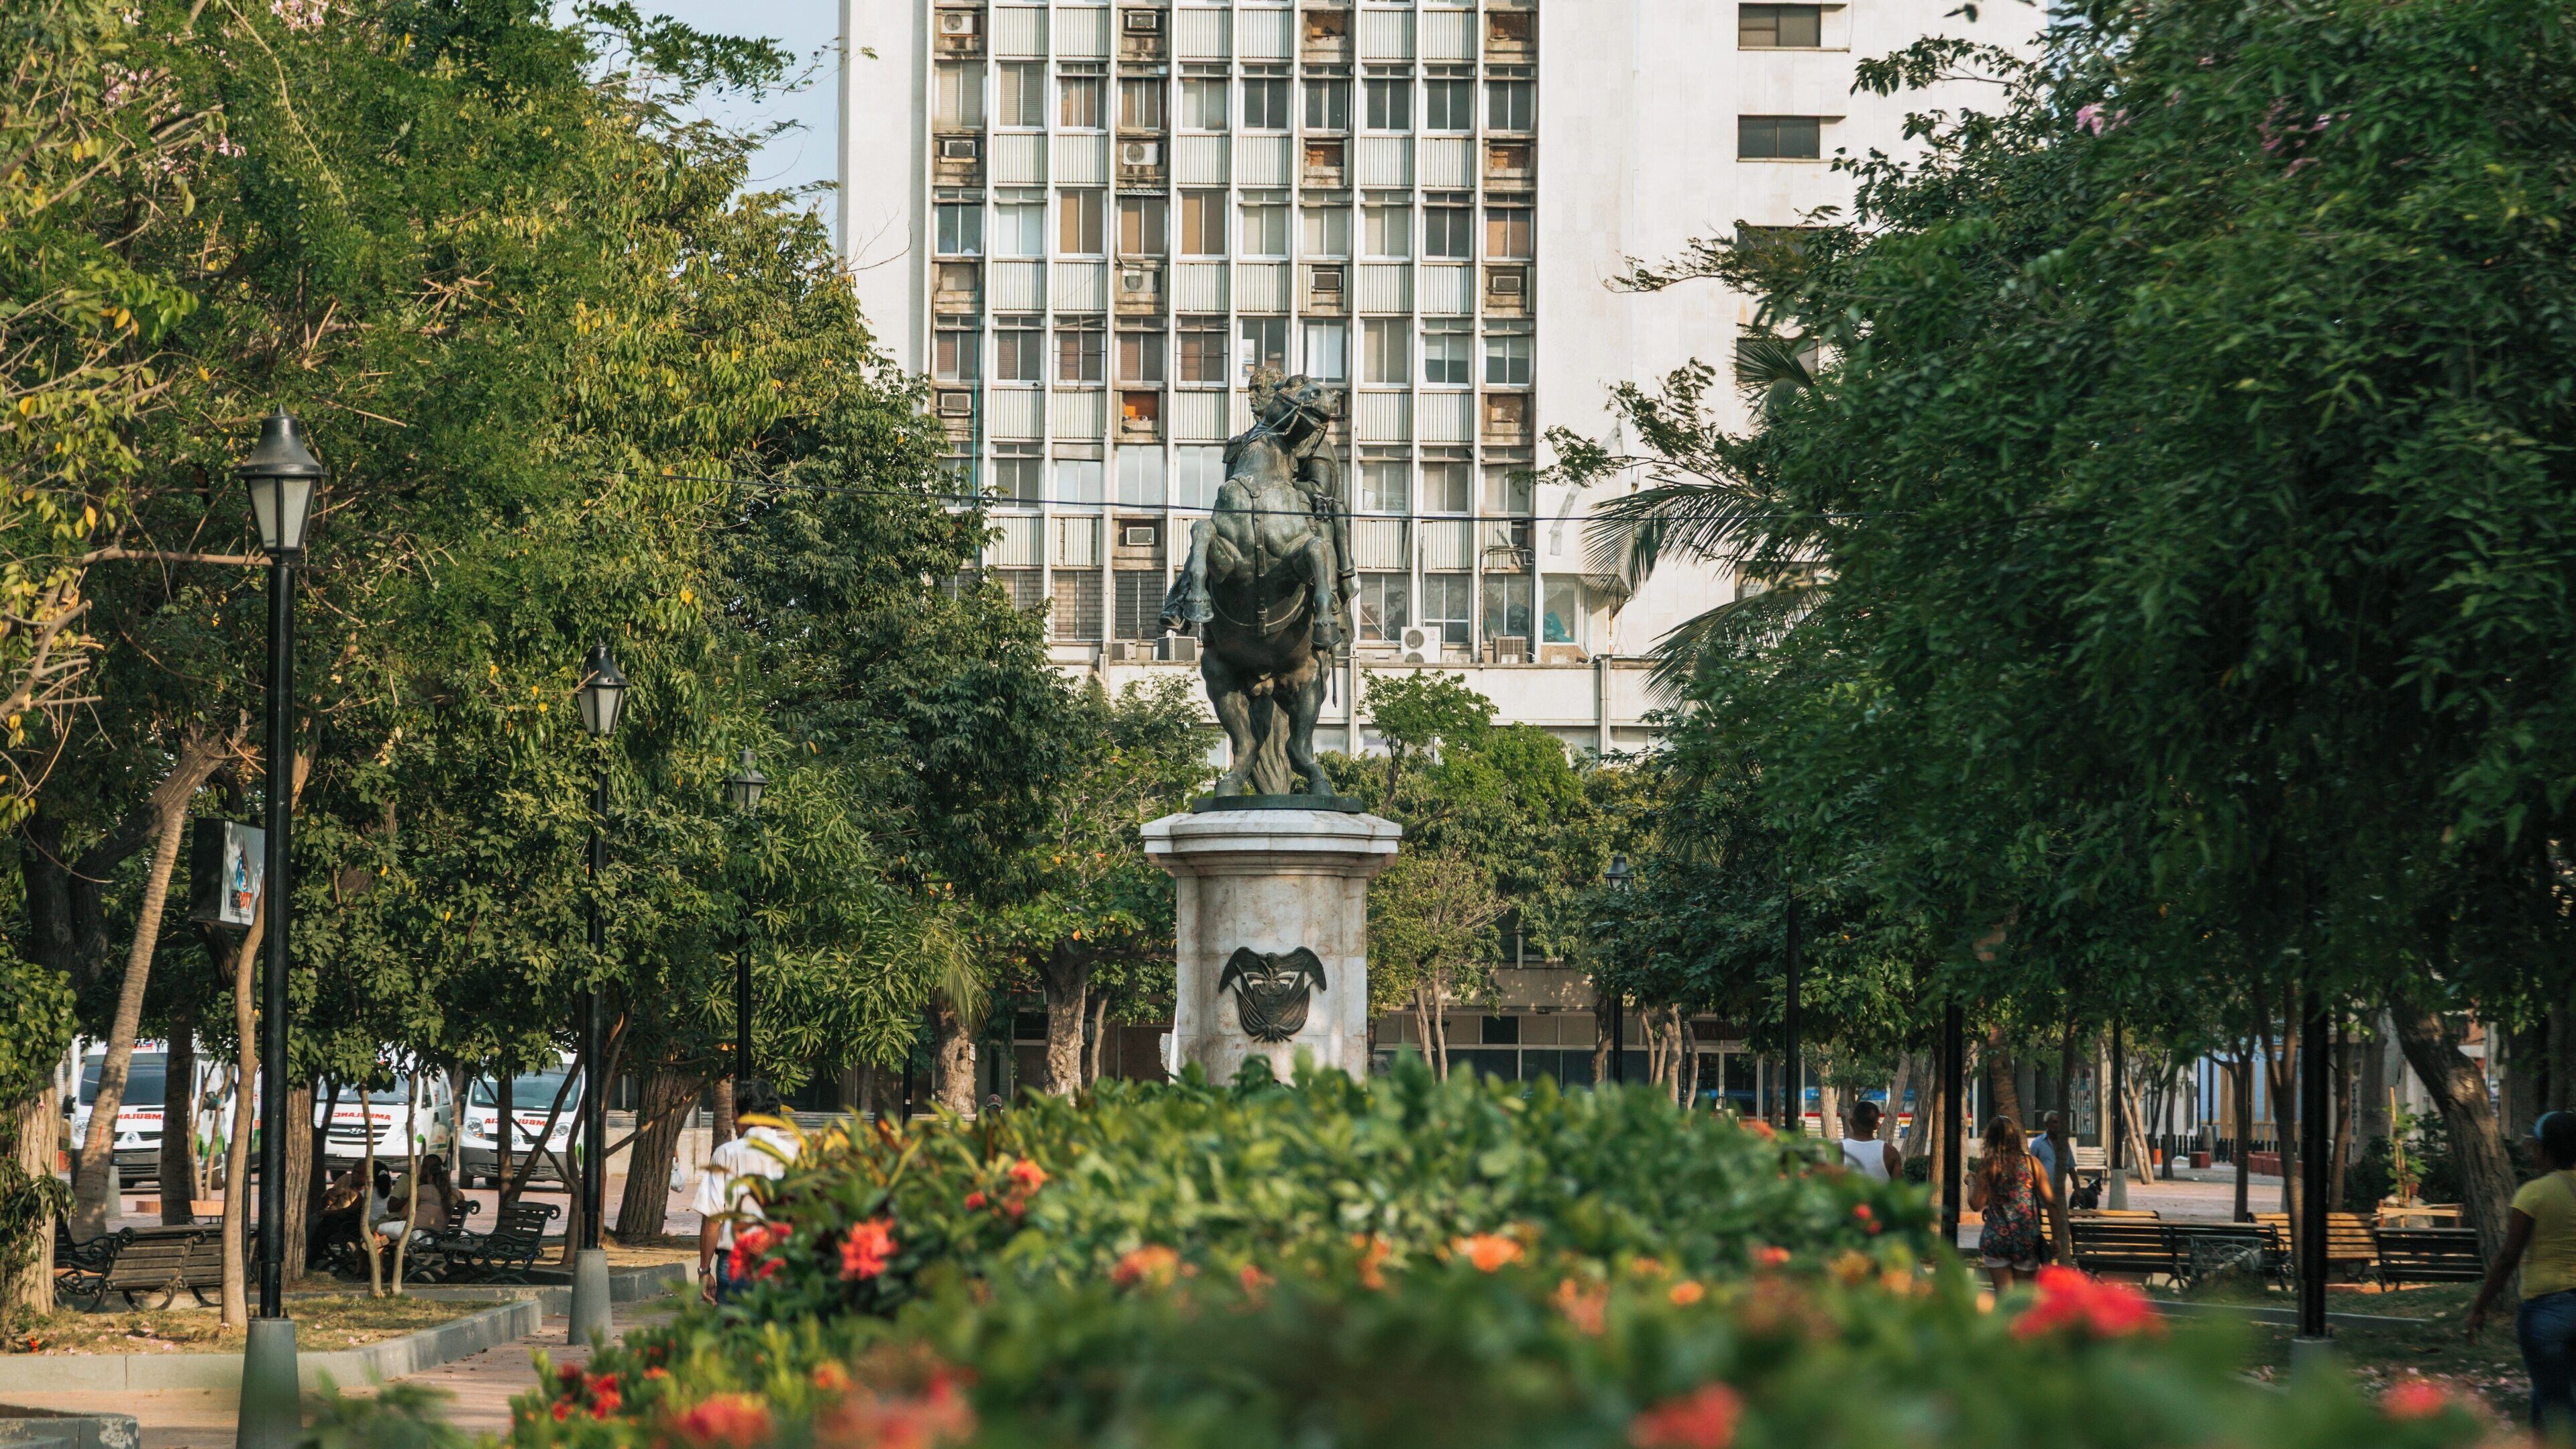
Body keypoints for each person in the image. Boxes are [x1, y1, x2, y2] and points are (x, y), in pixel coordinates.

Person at [2467, 1110, 2576, 1431]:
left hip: (2546, 1314)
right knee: (2547, 1397)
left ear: (2543, 1149)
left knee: (2557, 1407)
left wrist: (2479, 1308)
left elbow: (2507, 1258)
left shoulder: (2535, 1193)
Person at [695, 1079, 799, 1303]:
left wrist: (704, 1270)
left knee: (733, 1332)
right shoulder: (793, 1156)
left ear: (748, 1114)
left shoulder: (726, 1154)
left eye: (735, 1110)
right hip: (779, 1261)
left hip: (735, 1262)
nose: (733, 1117)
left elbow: (712, 1218)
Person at [1966, 1114, 2054, 1293]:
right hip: (2026, 1239)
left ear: (1990, 1139)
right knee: (2022, 1299)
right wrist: (2057, 1238)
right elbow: (2051, 1203)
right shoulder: (2033, 1164)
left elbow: (1976, 1204)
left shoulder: (1989, 1166)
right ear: (2015, 1138)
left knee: (2005, 1300)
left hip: (1996, 1239)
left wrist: (1971, 1182)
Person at [1840, 1102, 1902, 1182]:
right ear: (1877, 1126)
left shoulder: (1837, 1150)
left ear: (1851, 1123)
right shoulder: (1890, 1152)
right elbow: (1899, 1190)